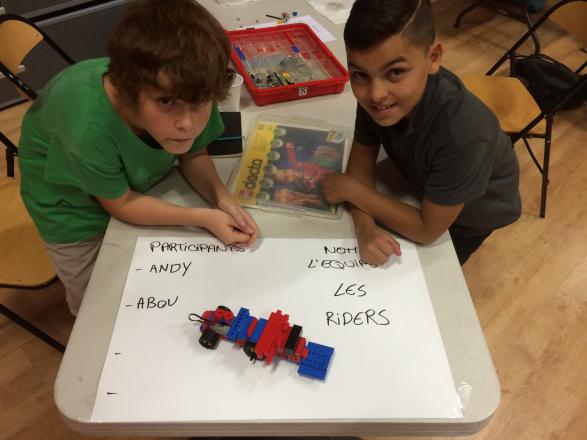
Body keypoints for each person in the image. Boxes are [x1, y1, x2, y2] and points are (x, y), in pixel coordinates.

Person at [18, 0, 259, 315]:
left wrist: (222, 199)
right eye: (166, 101)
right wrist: (205, 217)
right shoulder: (87, 128)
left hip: (129, 181)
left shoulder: (190, 85)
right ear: (129, 90)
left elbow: (194, 153)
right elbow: (123, 204)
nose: (188, 123)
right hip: (70, 210)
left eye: (200, 104)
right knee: (97, 304)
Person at [323, 0, 521, 266]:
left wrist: (351, 190)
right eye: (359, 75)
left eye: (395, 72)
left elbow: (427, 230)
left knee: (437, 276)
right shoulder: (382, 98)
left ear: (434, 57)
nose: (375, 94)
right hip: (421, 181)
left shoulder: (464, 134)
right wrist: (365, 227)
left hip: (471, 216)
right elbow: (361, 165)